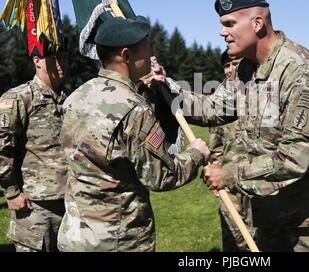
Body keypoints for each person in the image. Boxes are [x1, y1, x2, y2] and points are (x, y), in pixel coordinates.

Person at [168, 0, 309, 252]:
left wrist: (229, 174)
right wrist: (163, 88)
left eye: (229, 24)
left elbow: (294, 158)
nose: (222, 33)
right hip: (273, 219)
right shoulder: (246, 70)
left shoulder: (300, 71)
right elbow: (212, 108)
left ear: (257, 23)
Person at [57, 16, 210, 252]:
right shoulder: (133, 110)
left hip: (75, 236)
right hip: (119, 239)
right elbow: (162, 176)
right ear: (126, 56)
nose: (151, 55)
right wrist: (196, 154)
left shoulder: (76, 97)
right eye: (147, 49)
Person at [0, 48, 68, 252]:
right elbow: (2, 146)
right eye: (54, 57)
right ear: (37, 61)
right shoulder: (19, 98)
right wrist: (11, 193)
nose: (61, 62)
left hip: (69, 202)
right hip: (33, 207)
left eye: (64, 56)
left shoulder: (68, 99)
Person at [208, 51, 254, 252]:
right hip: (229, 184)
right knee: (234, 241)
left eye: (235, 64)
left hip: (255, 180)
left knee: (260, 238)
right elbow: (215, 145)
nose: (230, 69)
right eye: (227, 65)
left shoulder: (258, 93)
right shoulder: (219, 100)